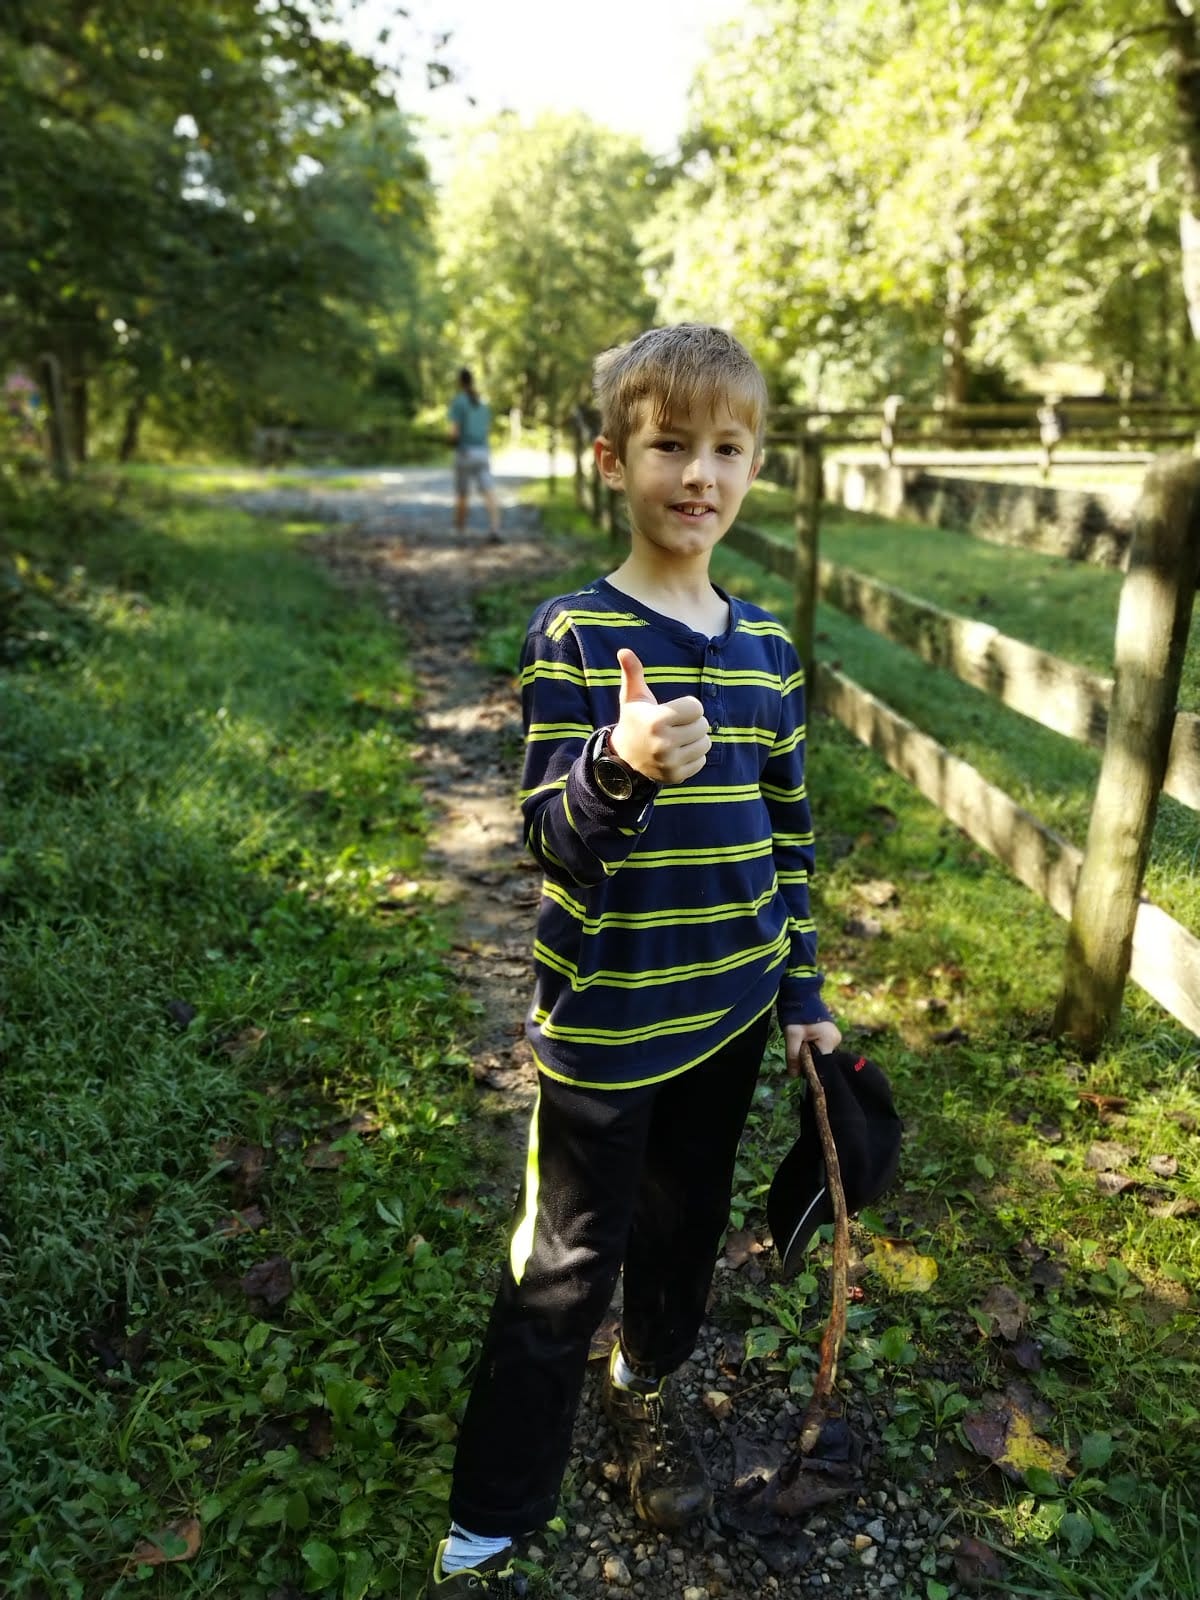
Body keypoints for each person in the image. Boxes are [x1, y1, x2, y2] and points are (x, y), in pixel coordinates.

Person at [426, 324, 841, 1597]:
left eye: (727, 449)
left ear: (755, 466)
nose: (698, 475)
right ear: (615, 460)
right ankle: (496, 1502)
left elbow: (790, 835)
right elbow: (549, 841)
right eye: (671, 445)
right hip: (607, 1026)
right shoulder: (574, 632)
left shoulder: (768, 651)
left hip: (723, 1014)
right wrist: (621, 766)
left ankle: (645, 1386)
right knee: (564, 1259)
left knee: (683, 1234)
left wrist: (805, 994)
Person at [448, 367, 502, 540]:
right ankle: (495, 529)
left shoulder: (458, 402)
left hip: (465, 452)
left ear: (459, 382)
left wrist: (451, 442)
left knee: (462, 493)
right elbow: (486, 429)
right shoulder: (482, 403)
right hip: (483, 452)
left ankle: (460, 530)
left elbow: (454, 431)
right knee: (489, 491)